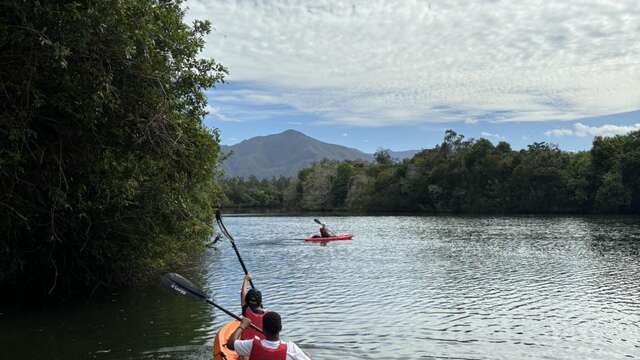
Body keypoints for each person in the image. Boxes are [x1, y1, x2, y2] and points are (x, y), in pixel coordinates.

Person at [227, 311, 311, 360]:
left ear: (263, 329)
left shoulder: (252, 345)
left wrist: (242, 326)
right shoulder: (291, 348)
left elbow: (230, 344)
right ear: (280, 328)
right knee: (307, 355)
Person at [240, 274, 266, 340]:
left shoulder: (246, 311)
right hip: (261, 345)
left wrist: (246, 280)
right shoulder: (267, 314)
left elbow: (243, 294)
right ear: (260, 302)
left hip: (246, 344)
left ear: (247, 301)